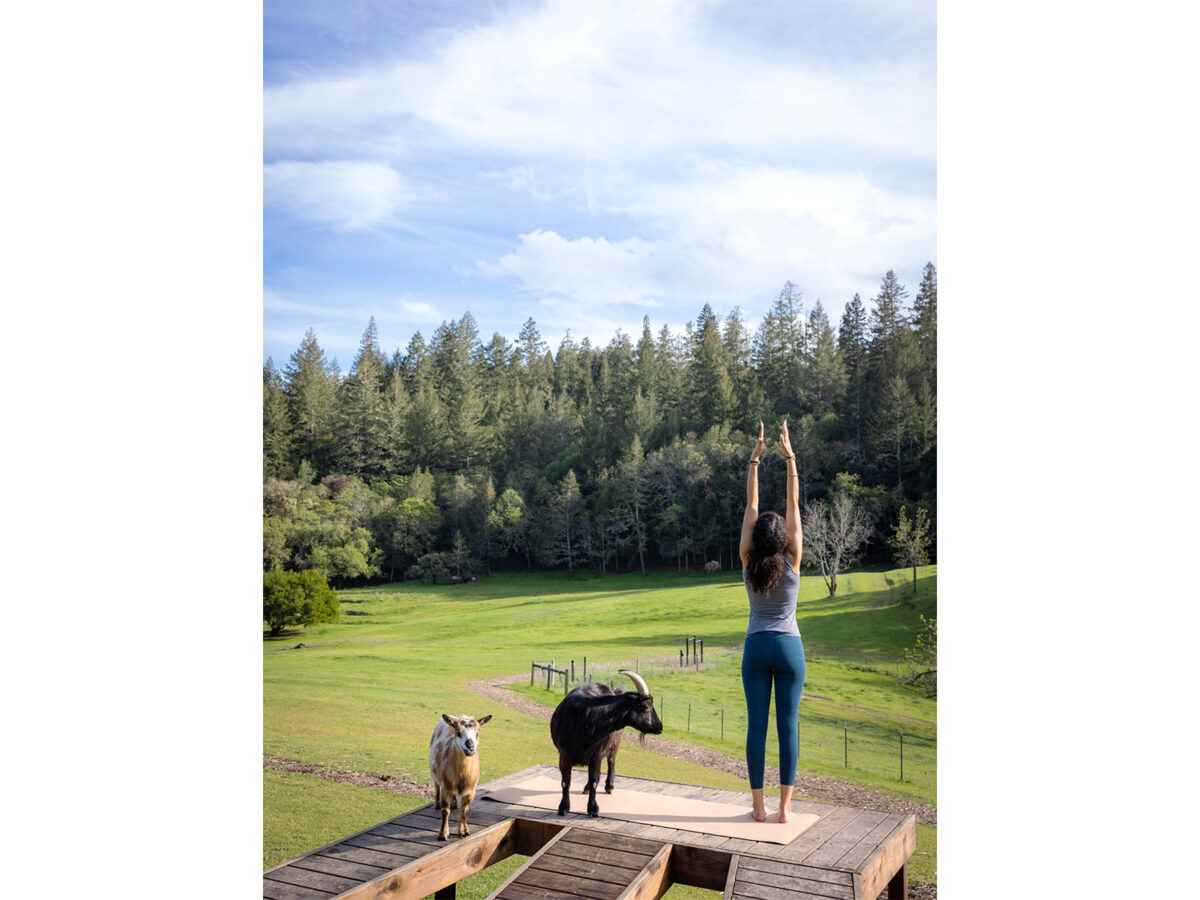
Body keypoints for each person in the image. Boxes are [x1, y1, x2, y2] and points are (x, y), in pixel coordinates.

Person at [739, 420, 805, 823]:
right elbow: (793, 506)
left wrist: (755, 459)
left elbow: (751, 506)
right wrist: (789, 457)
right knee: (788, 727)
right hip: (789, 647)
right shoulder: (792, 559)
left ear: (756, 538)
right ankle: (785, 809)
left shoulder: (748, 560)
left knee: (756, 728)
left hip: (756, 647)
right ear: (783, 539)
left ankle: (758, 807)